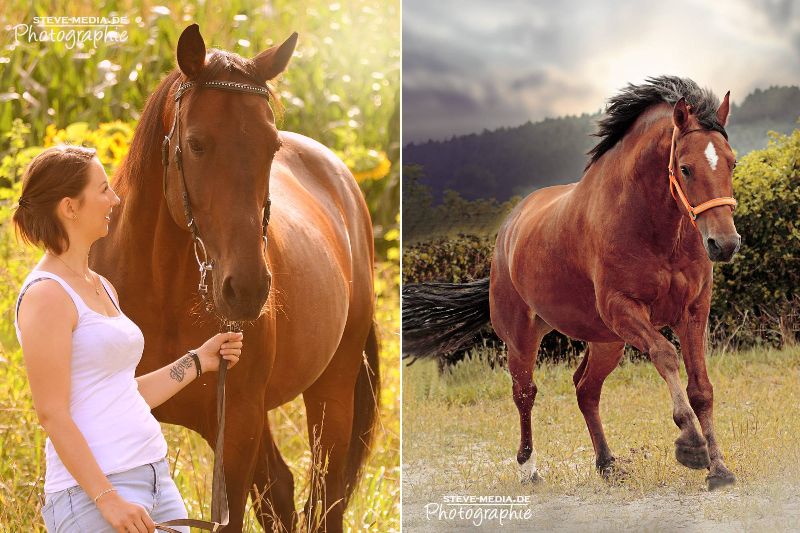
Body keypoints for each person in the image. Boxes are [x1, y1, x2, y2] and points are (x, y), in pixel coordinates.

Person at [12, 145, 244, 533]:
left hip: (155, 480)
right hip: (94, 495)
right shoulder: (46, 295)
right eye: (103, 189)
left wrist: (197, 361)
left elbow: (120, 394)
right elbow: (51, 413)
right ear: (70, 207)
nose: (114, 199)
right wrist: (108, 500)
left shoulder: (101, 286)